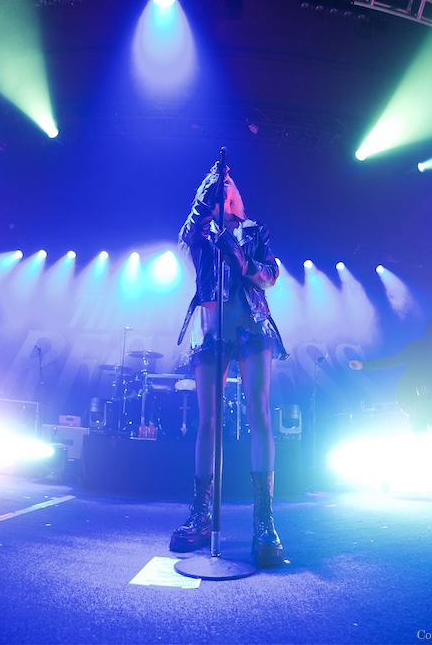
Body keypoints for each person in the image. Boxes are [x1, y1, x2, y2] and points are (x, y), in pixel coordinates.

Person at [173, 160, 289, 568]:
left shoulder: (254, 230)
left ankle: (264, 520)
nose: (227, 188)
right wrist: (207, 187)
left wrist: (241, 260)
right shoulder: (200, 232)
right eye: (221, 185)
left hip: (252, 326)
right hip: (211, 330)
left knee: (259, 412)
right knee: (208, 420)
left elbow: (270, 275)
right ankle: (201, 514)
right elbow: (188, 232)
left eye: (230, 185)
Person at [349, 315, 432, 436]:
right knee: (421, 441)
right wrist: (363, 365)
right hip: (413, 401)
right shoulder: (416, 346)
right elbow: (393, 361)